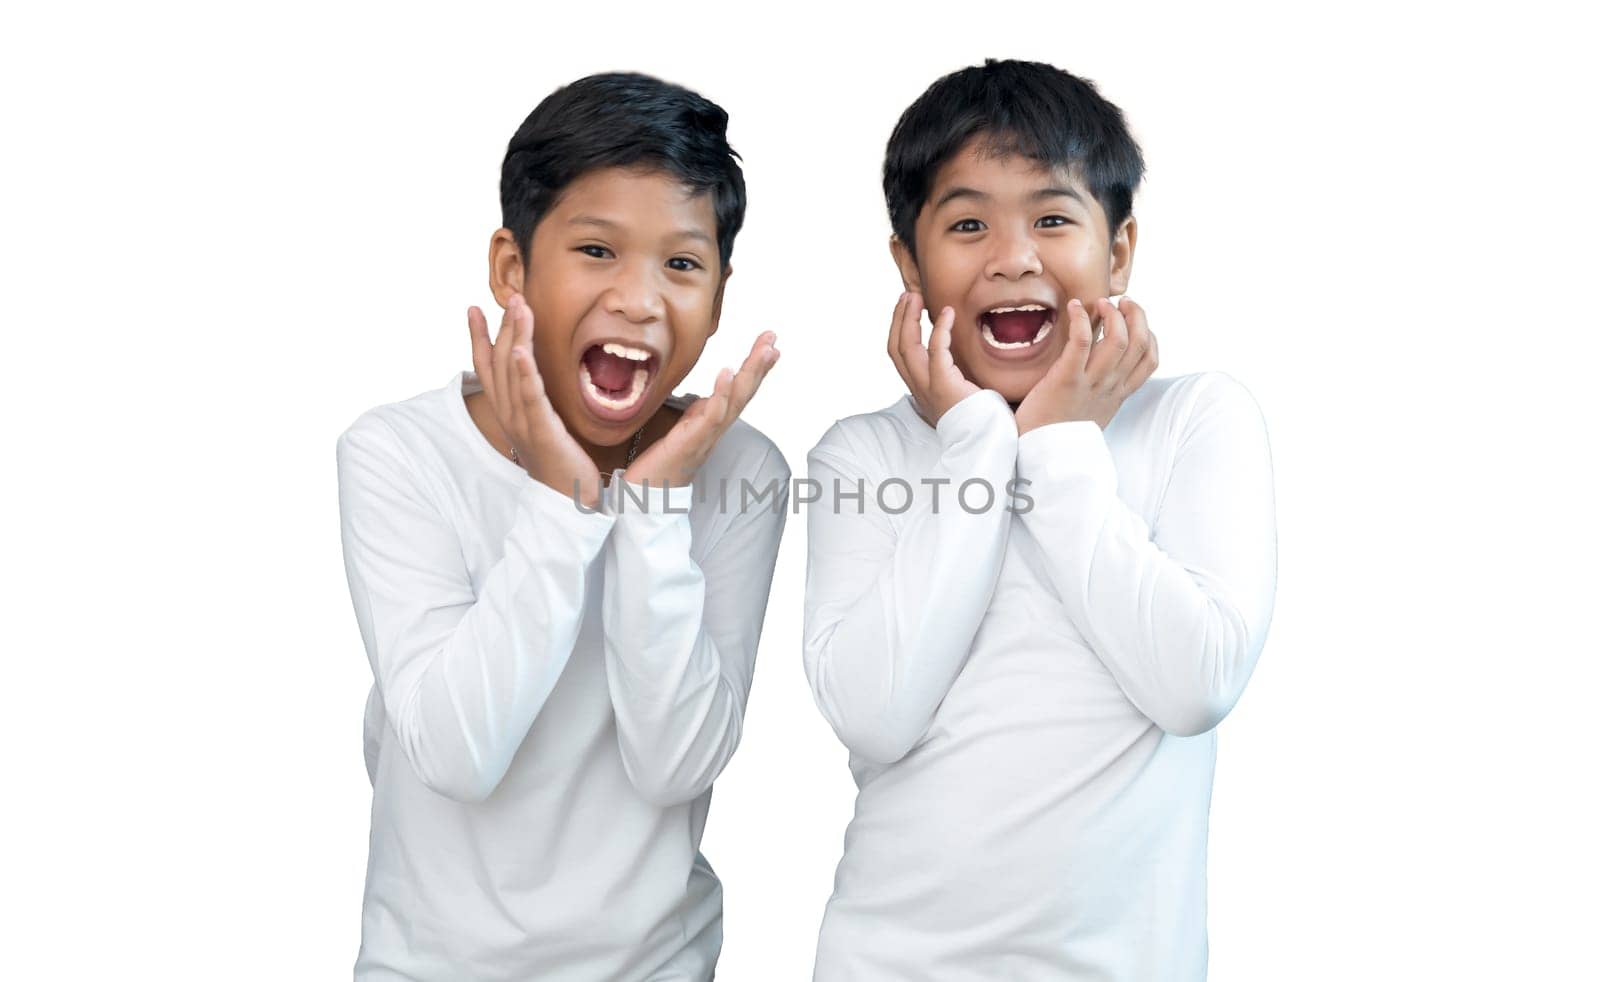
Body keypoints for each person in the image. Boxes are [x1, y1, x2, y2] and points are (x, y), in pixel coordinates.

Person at [802, 58, 1278, 980]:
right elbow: (875, 714)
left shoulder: (1196, 419)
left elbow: (1195, 683)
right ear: (908, 263)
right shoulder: (859, 455)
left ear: (1120, 249)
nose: (1013, 256)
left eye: (1053, 219)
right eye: (968, 223)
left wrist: (1059, 445)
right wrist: (978, 440)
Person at [335, 71, 788, 981]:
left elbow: (677, 765)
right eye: (596, 250)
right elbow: (457, 752)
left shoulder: (740, 470)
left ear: (720, 295)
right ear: (512, 268)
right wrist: (561, 502)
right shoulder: (395, 452)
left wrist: (654, 508)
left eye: (683, 264)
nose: (640, 299)